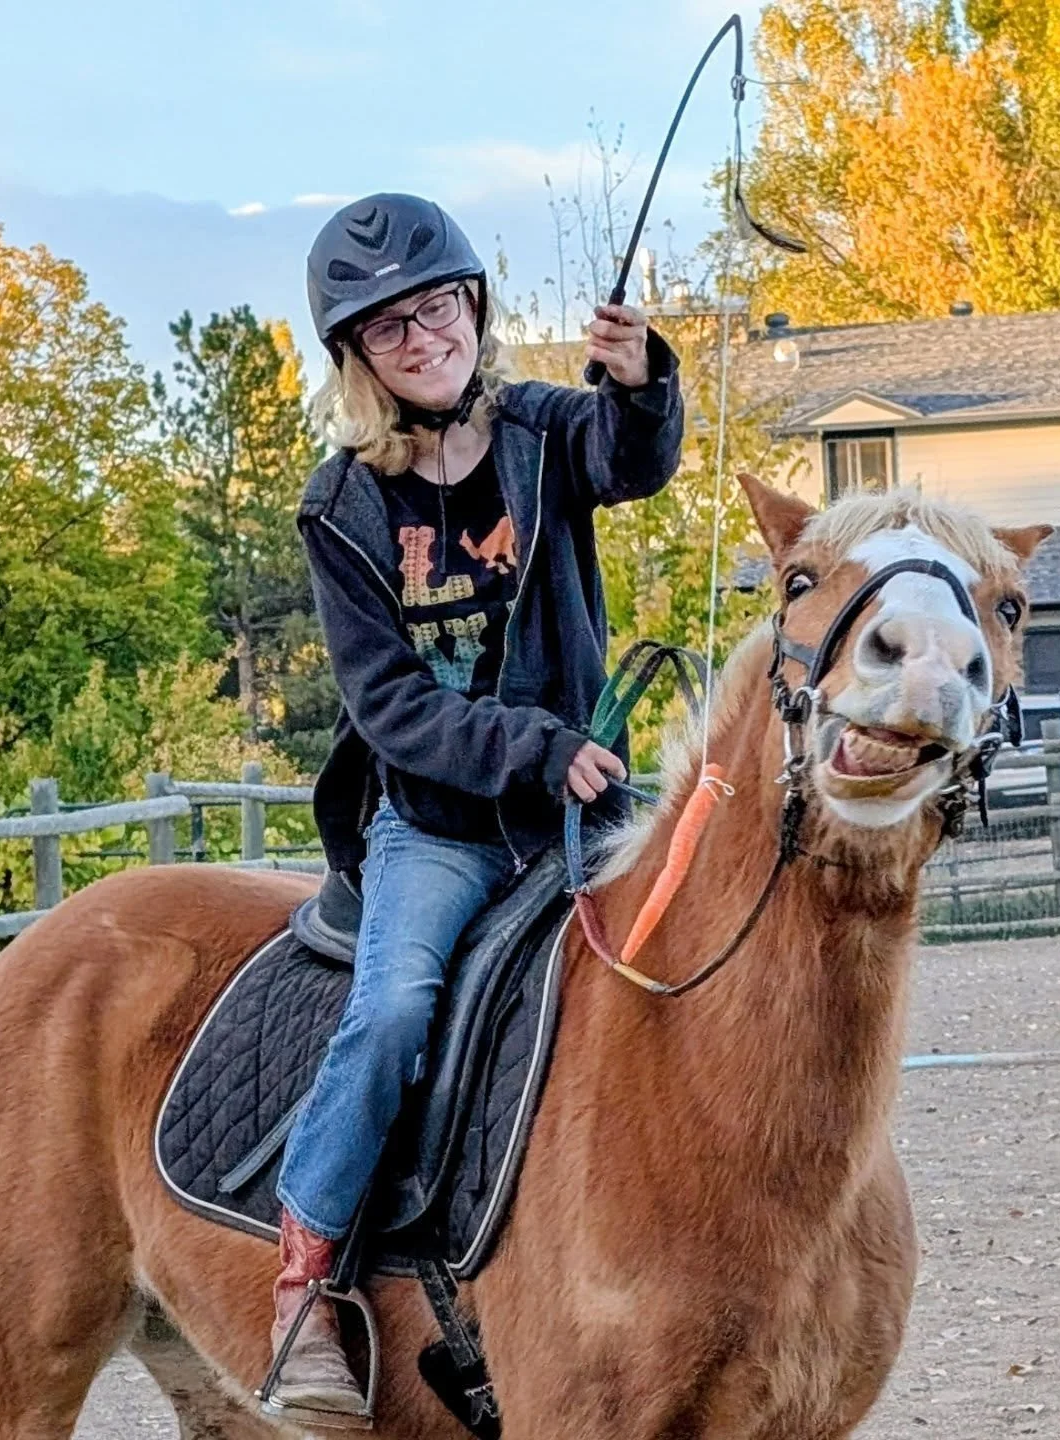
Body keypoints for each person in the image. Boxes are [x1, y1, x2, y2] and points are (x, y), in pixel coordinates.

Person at [266, 192, 685, 1420]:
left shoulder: (546, 433)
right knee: (395, 1008)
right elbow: (391, 707)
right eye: (388, 325)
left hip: (582, 811)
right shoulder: (341, 506)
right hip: (442, 827)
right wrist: (537, 749)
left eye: (439, 305)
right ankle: (305, 1282)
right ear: (356, 357)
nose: (423, 334)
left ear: (475, 308)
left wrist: (641, 377)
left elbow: (635, 459)